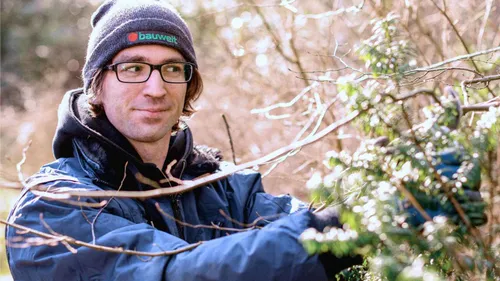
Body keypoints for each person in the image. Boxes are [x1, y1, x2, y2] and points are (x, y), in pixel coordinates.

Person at [4, 1, 483, 280]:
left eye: (173, 69)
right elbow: (171, 273)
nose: (156, 87)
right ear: (96, 86)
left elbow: (301, 226)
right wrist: (352, 227)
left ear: (189, 84)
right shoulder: (52, 208)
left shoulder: (226, 190)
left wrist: (407, 197)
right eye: (132, 68)